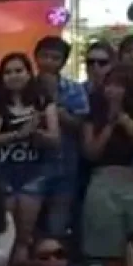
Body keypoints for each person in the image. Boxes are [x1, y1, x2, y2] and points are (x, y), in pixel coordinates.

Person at [0, 53, 60, 261]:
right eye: (8, 72)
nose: (14, 76)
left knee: (24, 237)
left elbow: (55, 139)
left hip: (34, 171)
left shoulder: (43, 102)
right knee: (4, 235)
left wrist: (35, 133)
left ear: (29, 73)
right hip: (1, 171)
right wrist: (18, 134)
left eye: (19, 71)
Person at [81, 64, 133, 264]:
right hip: (105, 182)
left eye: (118, 85)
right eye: (109, 84)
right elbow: (91, 152)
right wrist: (110, 123)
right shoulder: (94, 114)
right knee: (106, 250)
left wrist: (123, 118)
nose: (111, 90)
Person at [34, 37, 90, 237]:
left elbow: (79, 125)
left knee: (57, 224)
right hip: (31, 166)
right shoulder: (24, 85)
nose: (49, 62)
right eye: (44, 56)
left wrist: (54, 102)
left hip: (65, 165)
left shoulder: (75, 89)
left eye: (55, 58)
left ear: (64, 62)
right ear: (36, 57)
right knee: (29, 224)